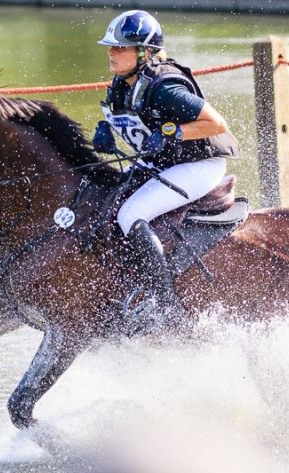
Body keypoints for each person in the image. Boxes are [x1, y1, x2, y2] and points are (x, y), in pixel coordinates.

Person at [92, 10, 241, 326]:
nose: (111, 52)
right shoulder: (123, 83)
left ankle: (167, 305)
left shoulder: (164, 87)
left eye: (120, 47)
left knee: (130, 215)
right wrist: (106, 130)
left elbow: (216, 124)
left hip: (198, 164)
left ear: (143, 52)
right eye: (111, 46)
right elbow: (133, 124)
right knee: (104, 200)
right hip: (166, 162)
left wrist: (172, 131)